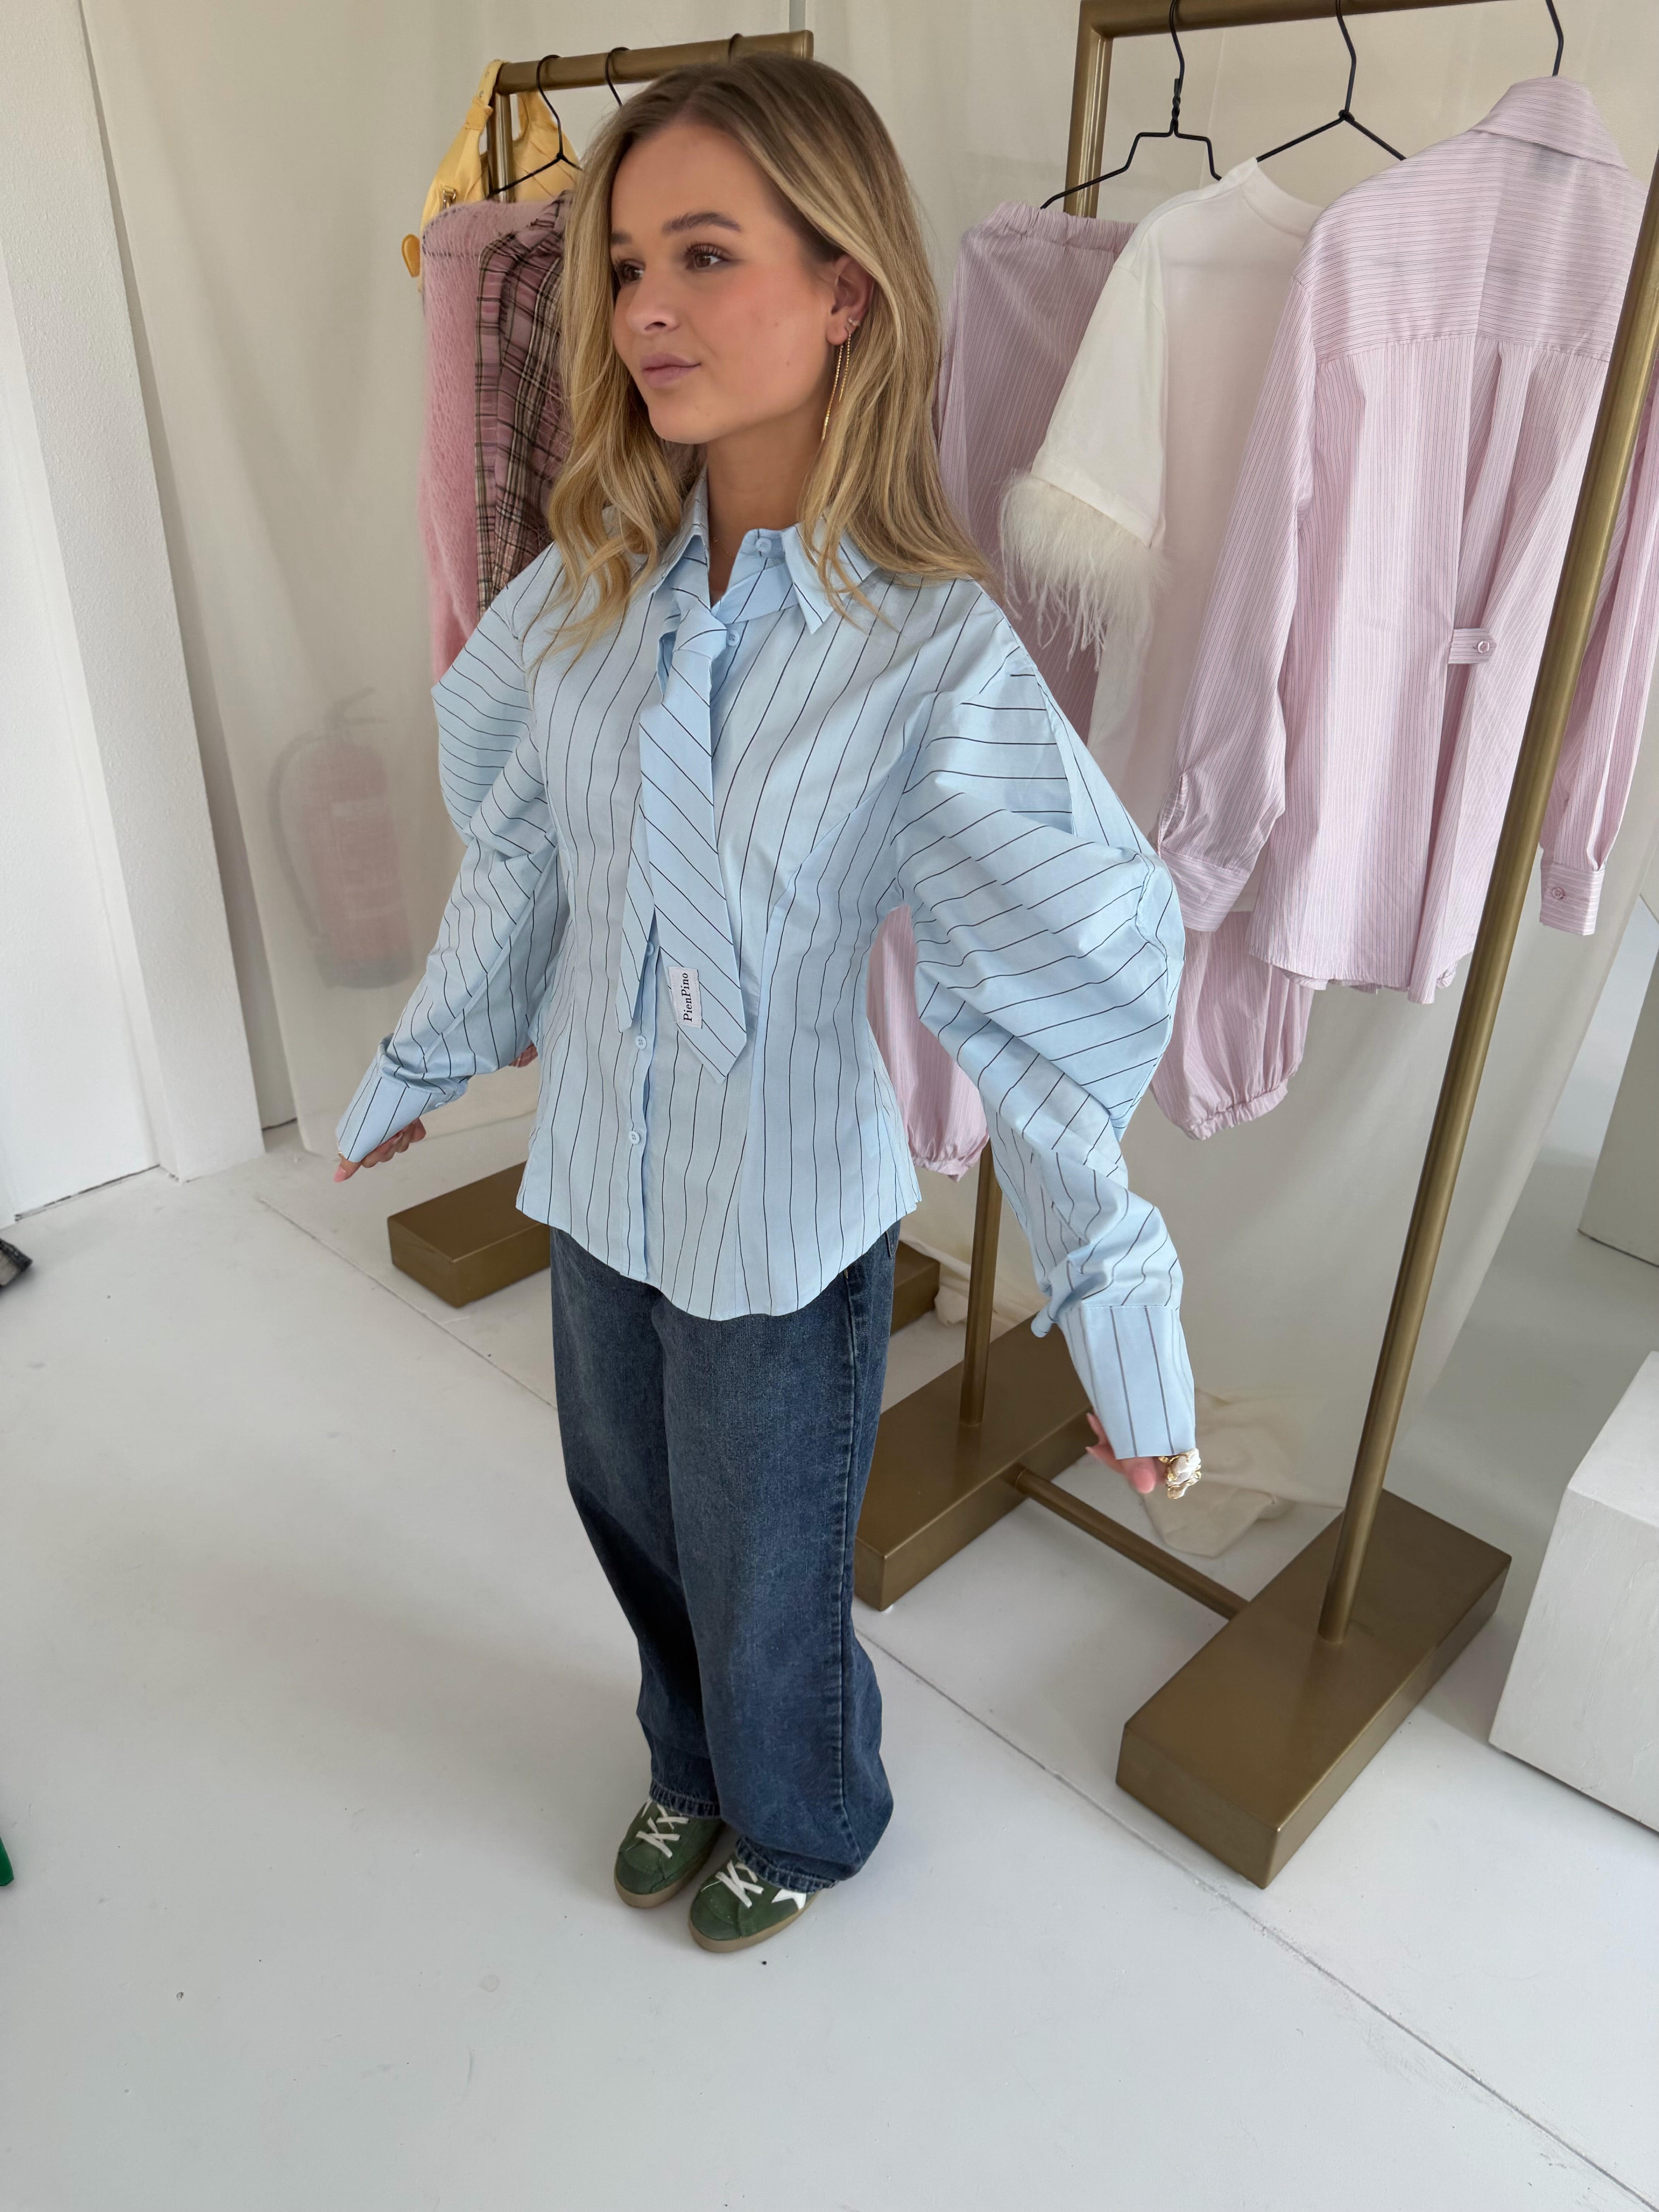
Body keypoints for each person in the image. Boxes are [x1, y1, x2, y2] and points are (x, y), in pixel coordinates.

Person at [335, 53, 1197, 1954]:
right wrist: (426, 1056)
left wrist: (1119, 1311)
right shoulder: (589, 594)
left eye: (706, 255)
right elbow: (527, 855)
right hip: (599, 1176)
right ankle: (687, 1756)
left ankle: (802, 1811)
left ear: (845, 289)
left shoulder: (929, 654)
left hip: (785, 1208)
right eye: (627, 264)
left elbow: (1040, 985)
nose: (646, 307)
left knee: (768, 1555)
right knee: (626, 1511)